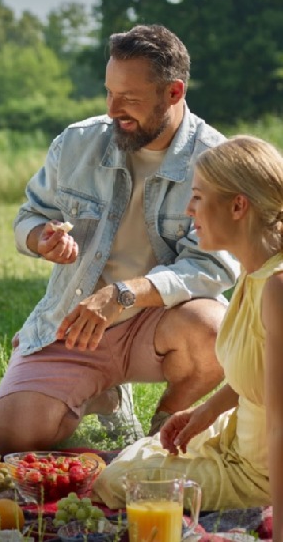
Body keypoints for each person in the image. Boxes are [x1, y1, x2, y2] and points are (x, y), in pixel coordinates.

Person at [0, 24, 240, 455]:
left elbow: (214, 266)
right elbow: (30, 215)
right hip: (78, 319)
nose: (112, 110)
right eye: (109, 93)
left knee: (214, 329)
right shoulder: (76, 144)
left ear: (174, 93)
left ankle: (159, 433)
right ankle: (103, 394)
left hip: (159, 320)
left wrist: (125, 294)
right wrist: (39, 239)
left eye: (130, 99)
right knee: (14, 438)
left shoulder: (214, 161)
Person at [92, 135, 283, 514]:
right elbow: (264, 376)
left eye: (197, 197)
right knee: (137, 457)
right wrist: (205, 412)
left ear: (238, 206)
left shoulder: (276, 288)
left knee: (115, 482)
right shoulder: (254, 270)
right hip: (233, 437)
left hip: (259, 474)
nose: (188, 209)